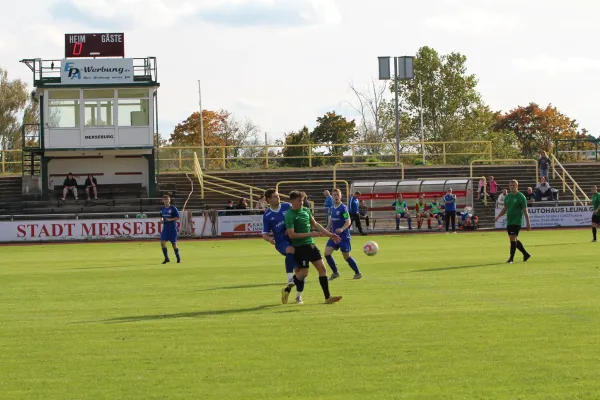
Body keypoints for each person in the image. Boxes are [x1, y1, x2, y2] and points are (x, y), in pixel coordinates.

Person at [284, 190, 343, 304]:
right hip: (300, 247)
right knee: (304, 273)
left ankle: (327, 297)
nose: (302, 202)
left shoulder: (306, 210)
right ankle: (287, 289)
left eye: (302, 200)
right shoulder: (289, 215)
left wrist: (330, 235)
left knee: (323, 269)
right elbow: (292, 235)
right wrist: (311, 234)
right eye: (299, 200)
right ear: (292, 201)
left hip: (310, 245)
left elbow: (315, 224)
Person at [261, 189, 300, 303]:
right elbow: (264, 233)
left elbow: (297, 216)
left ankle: (296, 295)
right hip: (281, 242)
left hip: (295, 239)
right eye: (274, 197)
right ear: (268, 200)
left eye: (278, 196)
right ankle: (289, 279)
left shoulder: (287, 206)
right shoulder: (267, 215)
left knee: (301, 271)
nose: (277, 198)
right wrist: (270, 239)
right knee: (289, 249)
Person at [324, 188, 362, 281]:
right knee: (327, 253)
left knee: (346, 257)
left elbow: (348, 221)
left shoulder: (343, 208)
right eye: (334, 195)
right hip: (334, 236)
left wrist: (342, 229)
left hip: (344, 237)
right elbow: (331, 219)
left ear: (341, 196)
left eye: (338, 195)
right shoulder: (332, 208)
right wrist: (327, 228)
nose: (336, 196)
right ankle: (335, 272)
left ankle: (358, 273)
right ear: (332, 196)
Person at [494, 179, 531, 264]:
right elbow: (505, 208)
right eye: (510, 185)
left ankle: (511, 258)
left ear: (517, 186)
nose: (511, 187)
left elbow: (525, 211)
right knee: (514, 239)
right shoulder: (508, 196)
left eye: (513, 185)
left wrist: (528, 223)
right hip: (509, 221)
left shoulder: (521, 197)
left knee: (512, 238)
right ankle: (526, 254)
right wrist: (499, 216)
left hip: (517, 221)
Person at [160, 194, 181, 264]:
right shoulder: (162, 208)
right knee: (162, 243)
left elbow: (178, 217)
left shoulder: (173, 208)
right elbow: (161, 216)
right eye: (165, 199)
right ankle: (166, 258)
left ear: (170, 200)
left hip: (172, 228)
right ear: (163, 200)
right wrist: (162, 220)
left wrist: (170, 219)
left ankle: (178, 258)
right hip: (165, 228)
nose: (166, 201)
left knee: (173, 244)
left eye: (167, 199)